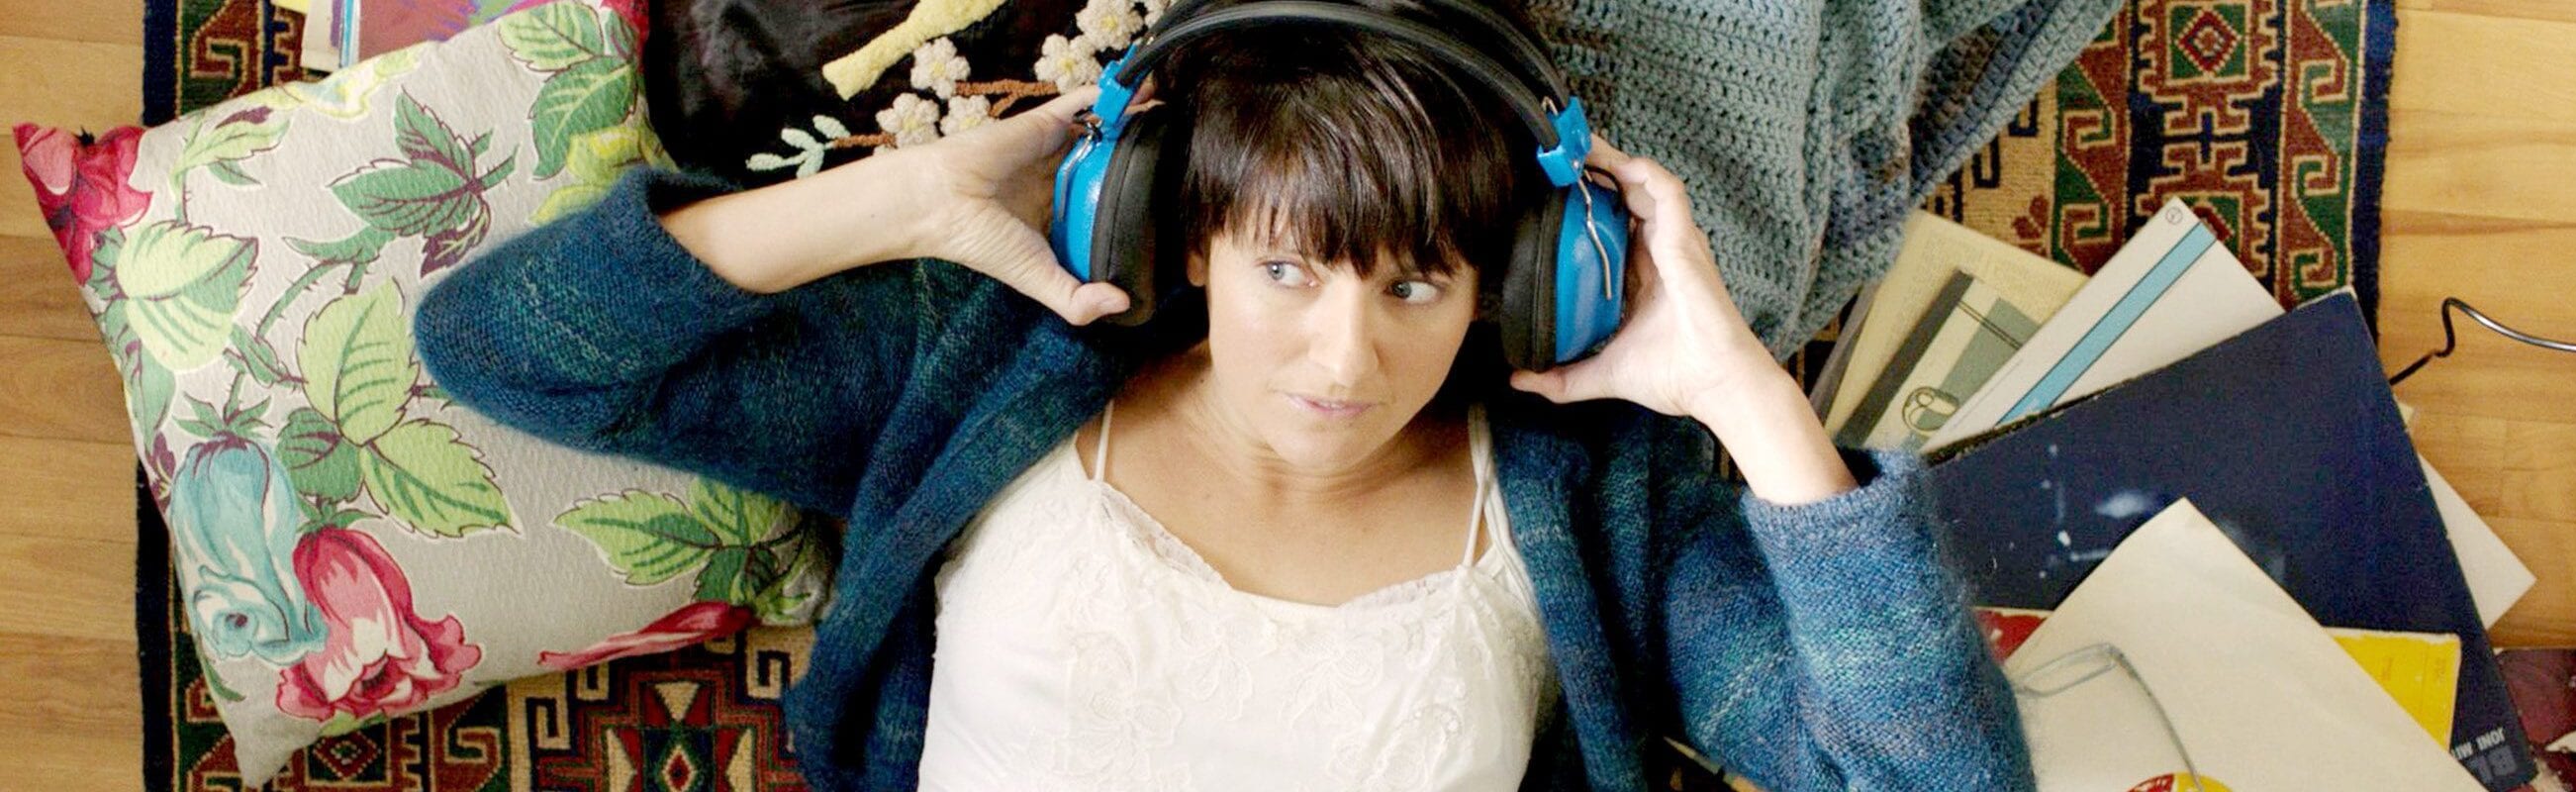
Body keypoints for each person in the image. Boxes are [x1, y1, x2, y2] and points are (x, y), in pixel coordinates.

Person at [415, 2, 2028, 789]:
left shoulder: (1597, 507)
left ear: (1517, 282)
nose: (1345, 361)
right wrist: (903, 201)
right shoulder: (979, 375)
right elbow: (505, 346)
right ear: (1179, 232)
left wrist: (1740, 392)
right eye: (1288, 272)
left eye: (1413, 286)